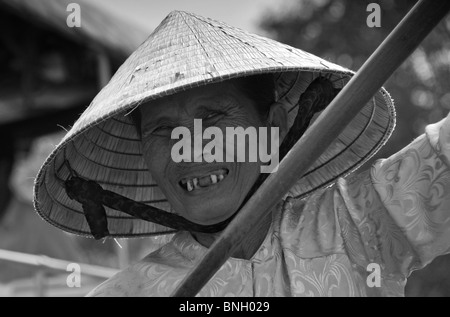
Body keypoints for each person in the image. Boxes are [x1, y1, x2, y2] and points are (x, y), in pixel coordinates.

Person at [33, 11, 450, 297]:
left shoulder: (360, 220)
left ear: (273, 127)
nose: (190, 146)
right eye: (164, 130)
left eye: (212, 116)